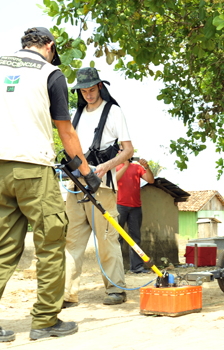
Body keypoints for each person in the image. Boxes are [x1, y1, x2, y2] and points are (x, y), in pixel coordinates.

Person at [0, 27, 101, 343]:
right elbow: (67, 133)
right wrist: (88, 174)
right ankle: (46, 321)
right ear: (49, 46)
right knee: (50, 245)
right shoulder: (51, 74)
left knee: (3, 249)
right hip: (35, 171)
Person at [63, 67, 134, 308]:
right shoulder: (76, 114)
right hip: (75, 186)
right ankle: (66, 294)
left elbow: (128, 150)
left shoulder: (113, 112)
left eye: (92, 90)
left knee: (106, 239)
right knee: (71, 240)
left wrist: (106, 166)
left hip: (102, 186)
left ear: (100, 87)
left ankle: (116, 289)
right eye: (83, 91)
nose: (88, 95)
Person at [115, 151, 154, 273]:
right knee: (117, 238)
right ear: (118, 152)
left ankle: (137, 267)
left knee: (135, 238)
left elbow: (151, 180)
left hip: (136, 207)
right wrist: (124, 165)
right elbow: (114, 180)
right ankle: (117, 268)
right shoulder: (114, 166)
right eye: (122, 150)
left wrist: (146, 167)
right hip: (119, 206)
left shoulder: (137, 167)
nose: (125, 152)